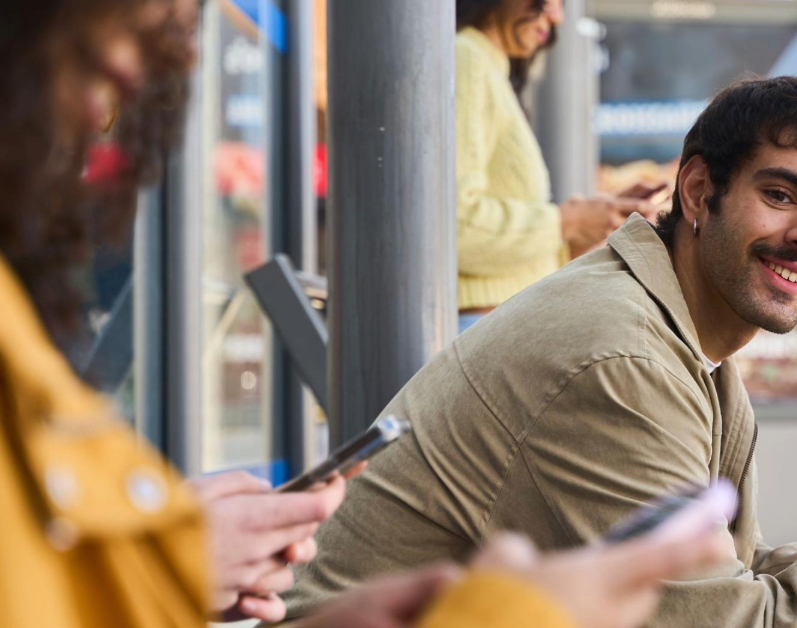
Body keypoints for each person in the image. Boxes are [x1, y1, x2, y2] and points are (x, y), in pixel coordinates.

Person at [0, 1, 730, 627]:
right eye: (98, 51)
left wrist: (171, 551)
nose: (119, 99)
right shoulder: (471, 62)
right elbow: (450, 220)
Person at [283, 76, 797, 628]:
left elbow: (724, 588)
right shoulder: (621, 359)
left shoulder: (682, 344)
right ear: (695, 191)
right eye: (782, 195)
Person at [454, 0, 655, 332]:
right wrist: (566, 223)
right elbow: (457, 228)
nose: (557, 16)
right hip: (482, 329)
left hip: (494, 326)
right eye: (552, 0)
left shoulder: (485, 66)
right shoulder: (469, 59)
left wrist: (587, 227)